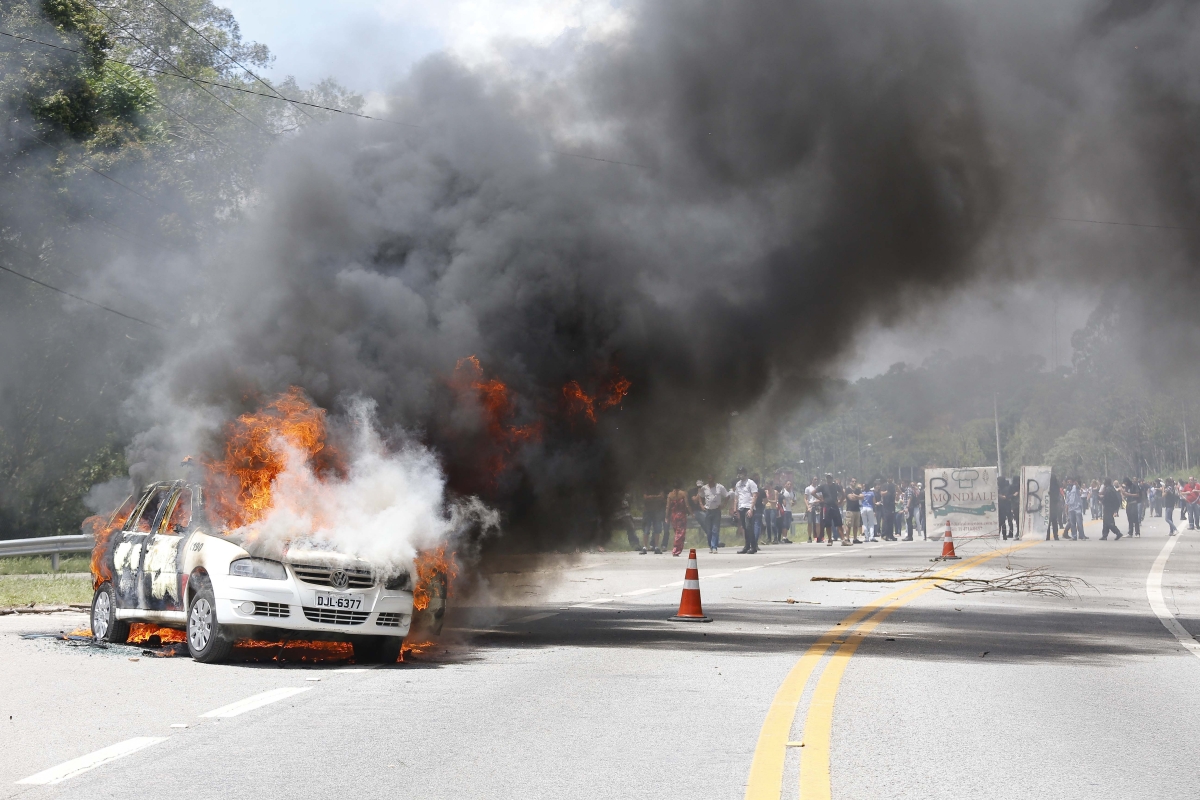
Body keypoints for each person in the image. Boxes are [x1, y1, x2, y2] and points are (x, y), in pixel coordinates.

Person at [698, 475, 728, 554]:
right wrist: (701, 505)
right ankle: (710, 546)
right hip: (708, 511)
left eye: (711, 478)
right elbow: (699, 496)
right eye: (708, 478)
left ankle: (714, 546)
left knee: (715, 529)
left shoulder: (719, 487)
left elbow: (727, 495)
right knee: (709, 530)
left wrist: (724, 505)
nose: (710, 480)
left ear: (714, 479)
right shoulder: (704, 488)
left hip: (716, 511)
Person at [733, 468, 759, 554]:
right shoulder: (738, 484)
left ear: (745, 473)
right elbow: (736, 497)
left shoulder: (750, 483)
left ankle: (753, 546)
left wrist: (751, 509)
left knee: (749, 527)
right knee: (744, 528)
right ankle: (747, 546)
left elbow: (755, 495)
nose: (740, 474)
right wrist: (735, 509)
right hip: (741, 507)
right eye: (739, 473)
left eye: (742, 473)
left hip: (749, 507)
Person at [818, 474, 847, 547]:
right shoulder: (823, 486)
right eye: (828, 478)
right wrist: (821, 499)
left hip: (835, 506)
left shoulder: (836, 486)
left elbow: (843, 494)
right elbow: (813, 492)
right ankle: (830, 539)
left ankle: (843, 540)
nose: (829, 479)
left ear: (832, 478)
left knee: (839, 524)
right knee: (828, 524)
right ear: (826, 478)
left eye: (830, 478)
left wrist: (840, 502)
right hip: (827, 506)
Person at [666, 484, 690, 556]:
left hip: (673, 516)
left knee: (677, 532)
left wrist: (666, 517)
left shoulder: (670, 495)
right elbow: (687, 505)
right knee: (680, 533)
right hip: (681, 515)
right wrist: (691, 513)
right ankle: (676, 549)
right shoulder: (683, 493)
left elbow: (668, 507)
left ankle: (677, 549)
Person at [642, 487, 667, 554]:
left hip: (656, 511)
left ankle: (656, 547)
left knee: (657, 529)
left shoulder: (659, 487)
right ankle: (644, 547)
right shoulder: (646, 487)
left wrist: (651, 497)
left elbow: (661, 497)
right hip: (647, 511)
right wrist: (656, 497)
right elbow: (645, 497)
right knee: (646, 529)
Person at [844, 480, 863, 545]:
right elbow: (851, 498)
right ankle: (847, 538)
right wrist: (858, 497)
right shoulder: (848, 489)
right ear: (850, 482)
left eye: (855, 481)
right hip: (850, 510)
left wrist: (856, 496)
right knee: (848, 525)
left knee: (856, 525)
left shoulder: (857, 490)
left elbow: (862, 497)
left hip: (857, 509)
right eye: (852, 481)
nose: (854, 482)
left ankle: (855, 538)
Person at [805, 477, 820, 543]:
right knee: (809, 522)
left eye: (817, 479)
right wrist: (808, 506)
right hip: (811, 505)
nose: (816, 480)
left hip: (817, 506)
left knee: (817, 522)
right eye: (814, 479)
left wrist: (818, 500)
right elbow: (805, 498)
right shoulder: (808, 488)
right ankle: (809, 537)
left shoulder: (819, 488)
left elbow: (822, 498)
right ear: (812, 480)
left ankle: (818, 537)